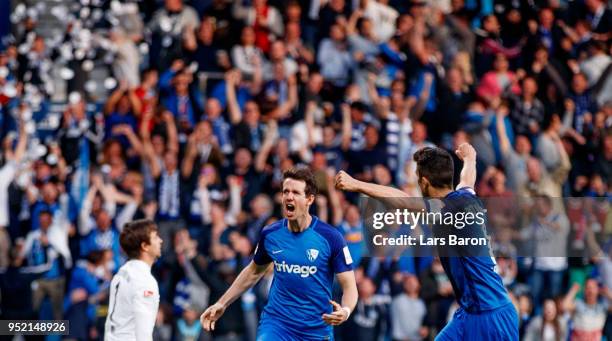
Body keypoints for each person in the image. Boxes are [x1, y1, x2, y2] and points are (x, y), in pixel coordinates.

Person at [335, 143, 519, 340]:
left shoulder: (446, 209)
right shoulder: (467, 197)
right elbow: (467, 178)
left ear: (424, 182)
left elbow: (403, 200)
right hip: (470, 312)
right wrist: (470, 158)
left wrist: (356, 184)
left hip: (491, 316)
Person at [200, 167, 358, 340]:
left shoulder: (330, 237)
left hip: (316, 329)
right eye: (285, 192)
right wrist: (222, 303)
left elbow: (349, 286)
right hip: (277, 324)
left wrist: (346, 310)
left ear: (309, 199)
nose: (289, 197)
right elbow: (253, 271)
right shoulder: (270, 234)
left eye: (296, 193)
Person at [104, 219, 164, 341]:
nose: (160, 240)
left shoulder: (121, 273)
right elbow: (144, 334)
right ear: (145, 246)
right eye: (156, 237)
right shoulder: (144, 281)